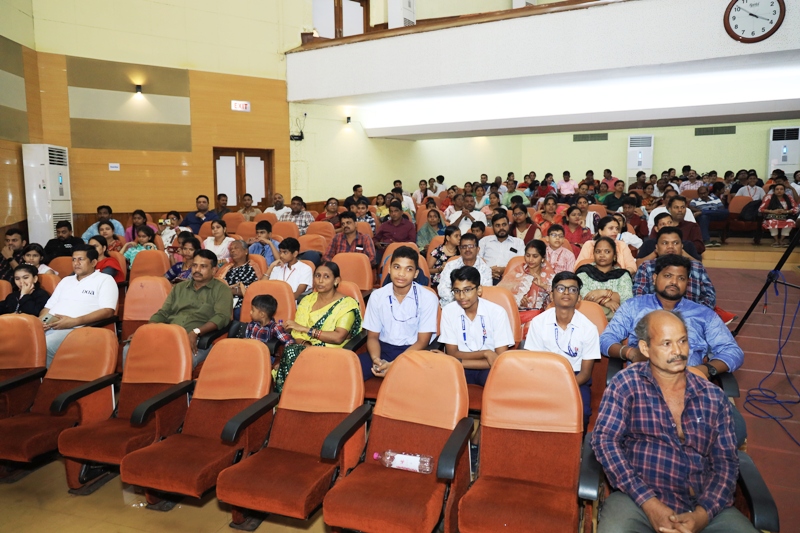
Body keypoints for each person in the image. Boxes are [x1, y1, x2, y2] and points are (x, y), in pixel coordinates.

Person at [592, 310, 754, 533]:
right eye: (666, 343)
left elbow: (725, 462)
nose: (678, 351)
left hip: (703, 504)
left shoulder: (712, 396)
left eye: (682, 341)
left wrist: (703, 514)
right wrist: (649, 503)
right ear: (645, 348)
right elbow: (605, 442)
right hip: (638, 500)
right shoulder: (626, 384)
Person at [601, 255, 744, 378]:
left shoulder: (704, 314)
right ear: (655, 278)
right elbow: (606, 339)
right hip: (642, 381)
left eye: (681, 278)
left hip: (688, 382)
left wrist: (705, 370)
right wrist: (631, 353)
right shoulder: (633, 306)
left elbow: (732, 351)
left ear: (687, 283)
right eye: (668, 276)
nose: (674, 282)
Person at [524, 271, 600, 427]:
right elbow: (533, 365)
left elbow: (586, 373)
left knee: (582, 413)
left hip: (576, 378)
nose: (566, 293)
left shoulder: (589, 328)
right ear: (552, 295)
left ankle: (577, 442)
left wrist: (563, 386)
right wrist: (550, 385)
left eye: (572, 289)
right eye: (560, 288)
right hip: (544, 376)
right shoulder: (538, 323)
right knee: (530, 410)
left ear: (579, 298)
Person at [139, 249, 231, 368]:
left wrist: (196, 332)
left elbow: (222, 317)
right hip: (169, 335)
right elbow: (163, 313)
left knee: (178, 361)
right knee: (132, 348)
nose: (197, 270)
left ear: (214, 270)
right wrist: (147, 329)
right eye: (194, 265)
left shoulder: (222, 290)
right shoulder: (179, 288)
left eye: (203, 266)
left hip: (198, 341)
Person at [362, 246, 438, 380]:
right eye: (397, 267)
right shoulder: (377, 296)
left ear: (416, 273)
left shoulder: (428, 298)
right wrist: (376, 360)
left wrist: (395, 364)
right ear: (389, 269)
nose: (401, 274)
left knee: (415, 382)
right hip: (382, 349)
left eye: (408, 269)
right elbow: (372, 337)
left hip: (413, 352)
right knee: (348, 372)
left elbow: (422, 341)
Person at [40, 246, 118, 367]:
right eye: (73, 259)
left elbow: (108, 311)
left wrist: (74, 322)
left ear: (93, 262)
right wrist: (42, 321)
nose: (76, 263)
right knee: (21, 341)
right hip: (51, 325)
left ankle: (48, 377)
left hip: (79, 328)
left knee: (44, 345)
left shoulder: (105, 280)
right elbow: (48, 307)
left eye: (81, 259)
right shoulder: (66, 280)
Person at [439, 266, 515, 386]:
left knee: (499, 380)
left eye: (467, 290)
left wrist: (458, 361)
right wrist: (485, 353)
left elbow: (498, 360)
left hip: (487, 369)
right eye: (457, 291)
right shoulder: (449, 311)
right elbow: (452, 353)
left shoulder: (497, 312)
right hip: (459, 368)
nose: (461, 296)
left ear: (479, 290)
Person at [634, 227, 716, 309]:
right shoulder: (647, 267)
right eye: (665, 243)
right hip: (655, 313)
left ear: (682, 246)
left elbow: (710, 297)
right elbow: (639, 295)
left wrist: (694, 312)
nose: (670, 247)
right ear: (657, 247)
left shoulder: (697, 267)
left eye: (675, 243)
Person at [498, 239, 556, 323]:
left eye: (535, 256)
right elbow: (502, 294)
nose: (530, 259)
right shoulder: (517, 272)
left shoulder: (549, 276)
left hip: (541, 318)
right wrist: (519, 300)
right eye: (528, 255)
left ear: (543, 258)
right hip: (517, 315)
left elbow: (557, 299)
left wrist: (543, 286)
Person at [576, 236, 633, 320]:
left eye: (607, 251)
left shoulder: (623, 275)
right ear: (594, 254)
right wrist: (605, 302)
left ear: (614, 255)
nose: (602, 255)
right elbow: (584, 296)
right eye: (598, 251)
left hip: (616, 320)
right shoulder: (584, 272)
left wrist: (603, 292)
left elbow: (626, 298)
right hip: (586, 318)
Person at [438, 232, 493, 306]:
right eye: (464, 247)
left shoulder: (485, 269)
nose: (467, 249)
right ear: (459, 249)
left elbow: (485, 293)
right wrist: (459, 300)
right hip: (451, 305)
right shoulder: (450, 266)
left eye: (471, 246)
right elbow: (442, 289)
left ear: (478, 249)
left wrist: (466, 301)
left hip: (475, 307)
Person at [244, 294, 295, 365]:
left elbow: (289, 342)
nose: (250, 312)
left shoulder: (275, 327)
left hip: (266, 358)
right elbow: (246, 339)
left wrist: (282, 360)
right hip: (250, 353)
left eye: (253, 310)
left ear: (262, 314)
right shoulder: (251, 325)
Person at [217, 240, 260, 320]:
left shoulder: (250, 268)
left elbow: (249, 291)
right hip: (222, 301)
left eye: (236, 248)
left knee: (237, 312)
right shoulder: (226, 268)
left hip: (240, 303)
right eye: (231, 249)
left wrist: (229, 290)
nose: (232, 251)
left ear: (246, 251)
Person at [479, 212, 525, 284]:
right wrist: (488, 271)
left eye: (504, 225)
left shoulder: (518, 242)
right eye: (497, 225)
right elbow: (478, 261)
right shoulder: (484, 241)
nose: (501, 228)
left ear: (508, 225)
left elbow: (522, 264)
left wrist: (505, 270)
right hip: (485, 277)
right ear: (492, 227)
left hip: (511, 278)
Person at [637, 213, 701, 263]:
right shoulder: (648, 244)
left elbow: (700, 265)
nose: (667, 226)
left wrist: (682, 252)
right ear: (656, 229)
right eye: (663, 224)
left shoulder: (688, 244)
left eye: (670, 223)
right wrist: (655, 253)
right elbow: (638, 264)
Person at [759, 183, 798, 247]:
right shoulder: (769, 197)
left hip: (786, 216)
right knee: (772, 222)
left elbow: (796, 209)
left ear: (784, 191)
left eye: (781, 189)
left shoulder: (789, 197)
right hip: (772, 216)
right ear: (774, 191)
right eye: (777, 189)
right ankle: (776, 241)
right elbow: (760, 209)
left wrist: (786, 211)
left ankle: (782, 240)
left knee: (790, 222)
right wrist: (772, 211)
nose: (779, 191)